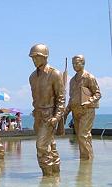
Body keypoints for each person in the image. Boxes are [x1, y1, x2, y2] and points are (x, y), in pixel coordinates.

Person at [29, 44, 65, 176]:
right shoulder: (32, 77)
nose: (34, 60)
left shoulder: (54, 74)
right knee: (51, 145)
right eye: (32, 58)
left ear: (45, 57)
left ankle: (47, 177)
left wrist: (57, 117)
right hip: (38, 115)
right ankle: (55, 174)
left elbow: (61, 98)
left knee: (41, 146)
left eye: (37, 57)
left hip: (49, 115)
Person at [64, 55, 101, 160]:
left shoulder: (89, 77)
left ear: (83, 63)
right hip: (75, 112)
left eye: (77, 63)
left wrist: (88, 101)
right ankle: (85, 159)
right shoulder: (72, 80)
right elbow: (71, 98)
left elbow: (97, 94)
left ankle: (87, 161)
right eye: (73, 64)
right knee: (81, 137)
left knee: (83, 135)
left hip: (87, 110)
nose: (74, 65)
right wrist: (66, 112)